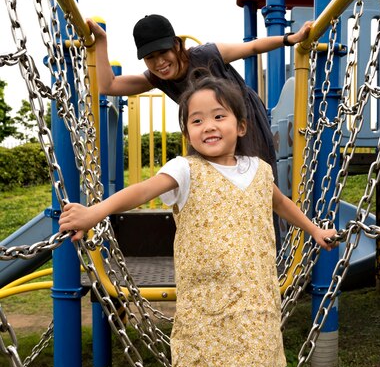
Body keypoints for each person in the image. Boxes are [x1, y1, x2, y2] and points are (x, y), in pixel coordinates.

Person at [59, 74, 337, 367]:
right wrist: (94, 212)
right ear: (187, 131)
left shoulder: (259, 170)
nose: (208, 125)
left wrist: (314, 230)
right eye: (196, 120)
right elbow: (141, 191)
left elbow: (280, 203)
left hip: (253, 297)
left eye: (219, 116)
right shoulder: (185, 171)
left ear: (240, 125)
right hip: (208, 301)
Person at [87, 14, 313, 245]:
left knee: (257, 185)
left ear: (177, 45)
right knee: (208, 185)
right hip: (207, 133)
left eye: (163, 53)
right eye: (149, 57)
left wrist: (290, 39)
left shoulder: (207, 55)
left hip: (245, 123)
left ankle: (263, 248)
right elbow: (109, 85)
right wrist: (101, 41)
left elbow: (252, 46)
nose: (159, 63)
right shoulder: (159, 78)